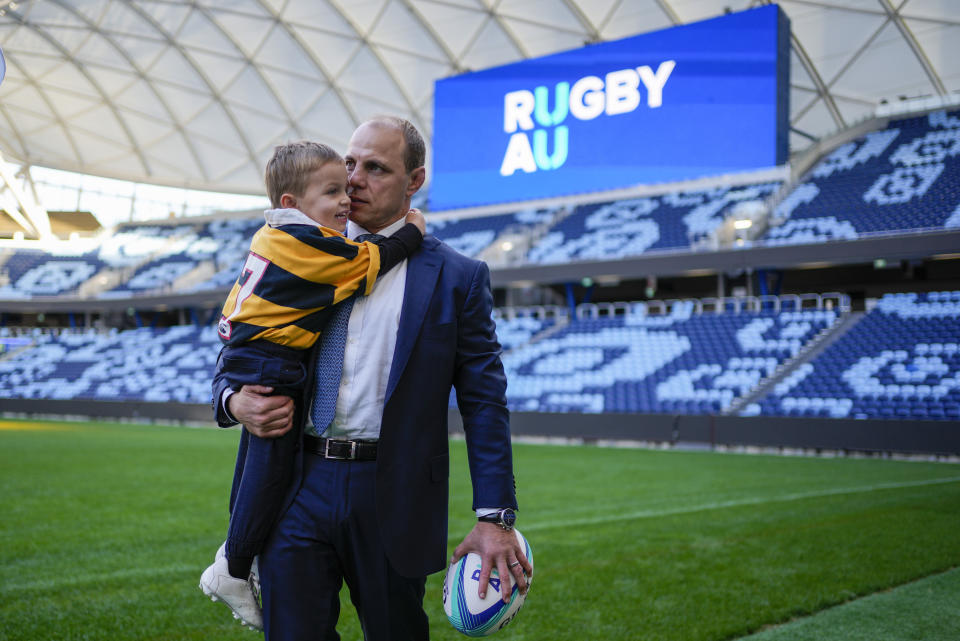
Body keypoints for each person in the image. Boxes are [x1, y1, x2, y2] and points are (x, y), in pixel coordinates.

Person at [213, 116, 532, 640]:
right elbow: (240, 341)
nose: (355, 178)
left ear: (415, 181)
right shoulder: (293, 248)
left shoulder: (459, 277)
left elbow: (484, 402)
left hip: (393, 492)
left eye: (376, 168)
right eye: (351, 163)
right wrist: (232, 402)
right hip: (295, 482)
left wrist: (495, 516)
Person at [200, 140, 426, 630]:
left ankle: (235, 559)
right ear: (292, 204)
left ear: (414, 180)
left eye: (357, 180)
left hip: (385, 484)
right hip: (288, 418)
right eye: (337, 185)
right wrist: (232, 401)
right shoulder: (320, 246)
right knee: (270, 467)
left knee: (257, 466)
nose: (349, 194)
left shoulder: (275, 237)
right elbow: (369, 263)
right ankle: (236, 562)